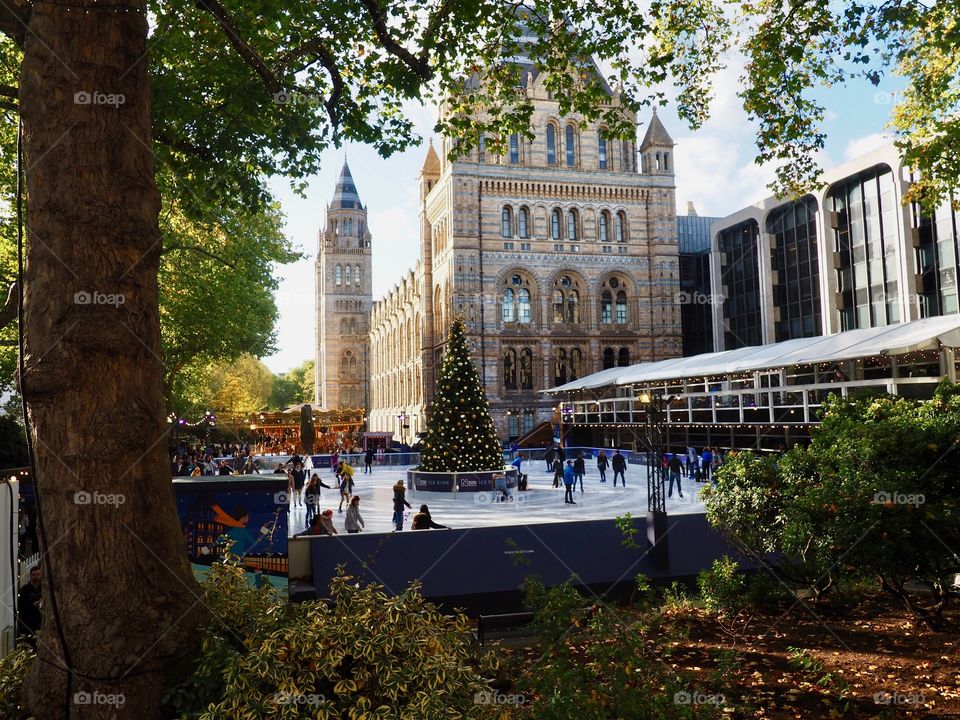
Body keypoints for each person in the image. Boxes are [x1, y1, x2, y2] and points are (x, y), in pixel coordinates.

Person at [17, 565, 42, 646]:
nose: (36, 577)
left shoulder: (44, 588)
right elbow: (21, 606)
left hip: (40, 621)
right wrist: (33, 605)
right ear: (30, 576)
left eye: (38, 574)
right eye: (34, 575)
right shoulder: (24, 590)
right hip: (28, 623)